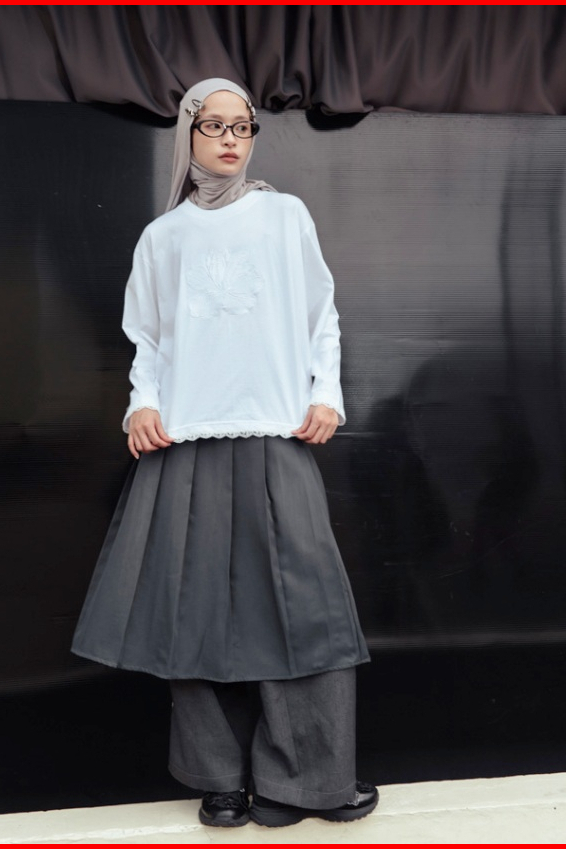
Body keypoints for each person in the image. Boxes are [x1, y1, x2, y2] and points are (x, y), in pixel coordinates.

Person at [71, 77, 377, 829]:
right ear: (189, 132)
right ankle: (221, 781)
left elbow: (321, 315)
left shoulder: (284, 215)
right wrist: (142, 404)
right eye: (215, 125)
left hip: (276, 432)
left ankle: (307, 779)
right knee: (193, 609)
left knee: (304, 608)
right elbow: (147, 339)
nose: (232, 139)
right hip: (186, 439)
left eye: (243, 126)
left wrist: (327, 394)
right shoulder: (163, 236)